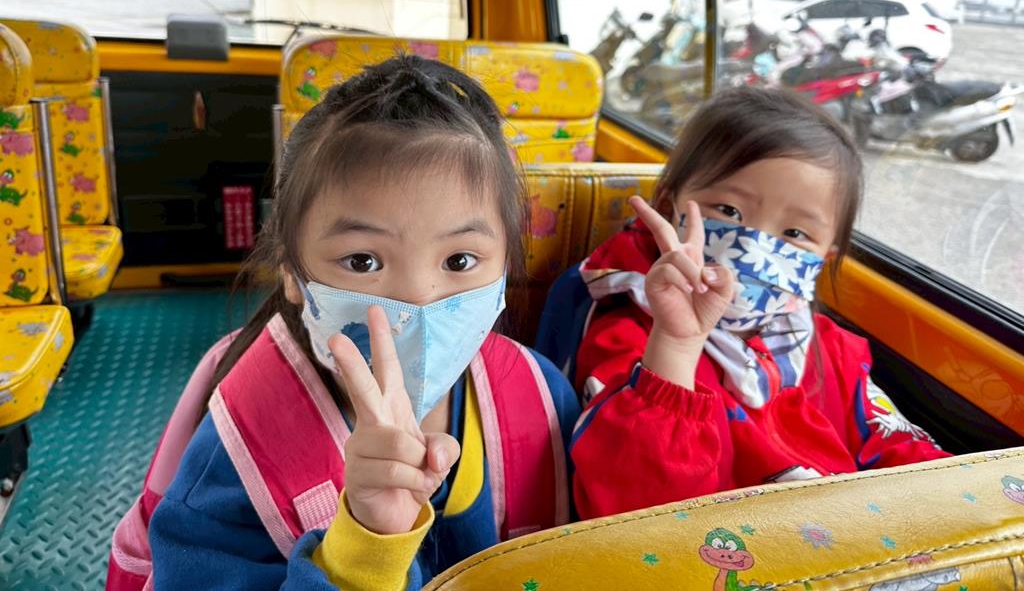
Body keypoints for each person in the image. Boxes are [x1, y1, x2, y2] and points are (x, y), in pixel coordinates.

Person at [112, 56, 578, 591]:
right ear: (292, 272)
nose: (417, 298)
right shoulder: (235, 451)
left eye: (459, 260)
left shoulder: (542, 396)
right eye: (363, 261)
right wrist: (363, 550)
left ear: (506, 266)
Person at [566, 87, 948, 520]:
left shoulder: (831, 350)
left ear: (821, 260)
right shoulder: (630, 337)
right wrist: (676, 345)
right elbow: (640, 514)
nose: (755, 248)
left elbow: (895, 446)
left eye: (795, 234)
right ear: (669, 209)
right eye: (729, 211)